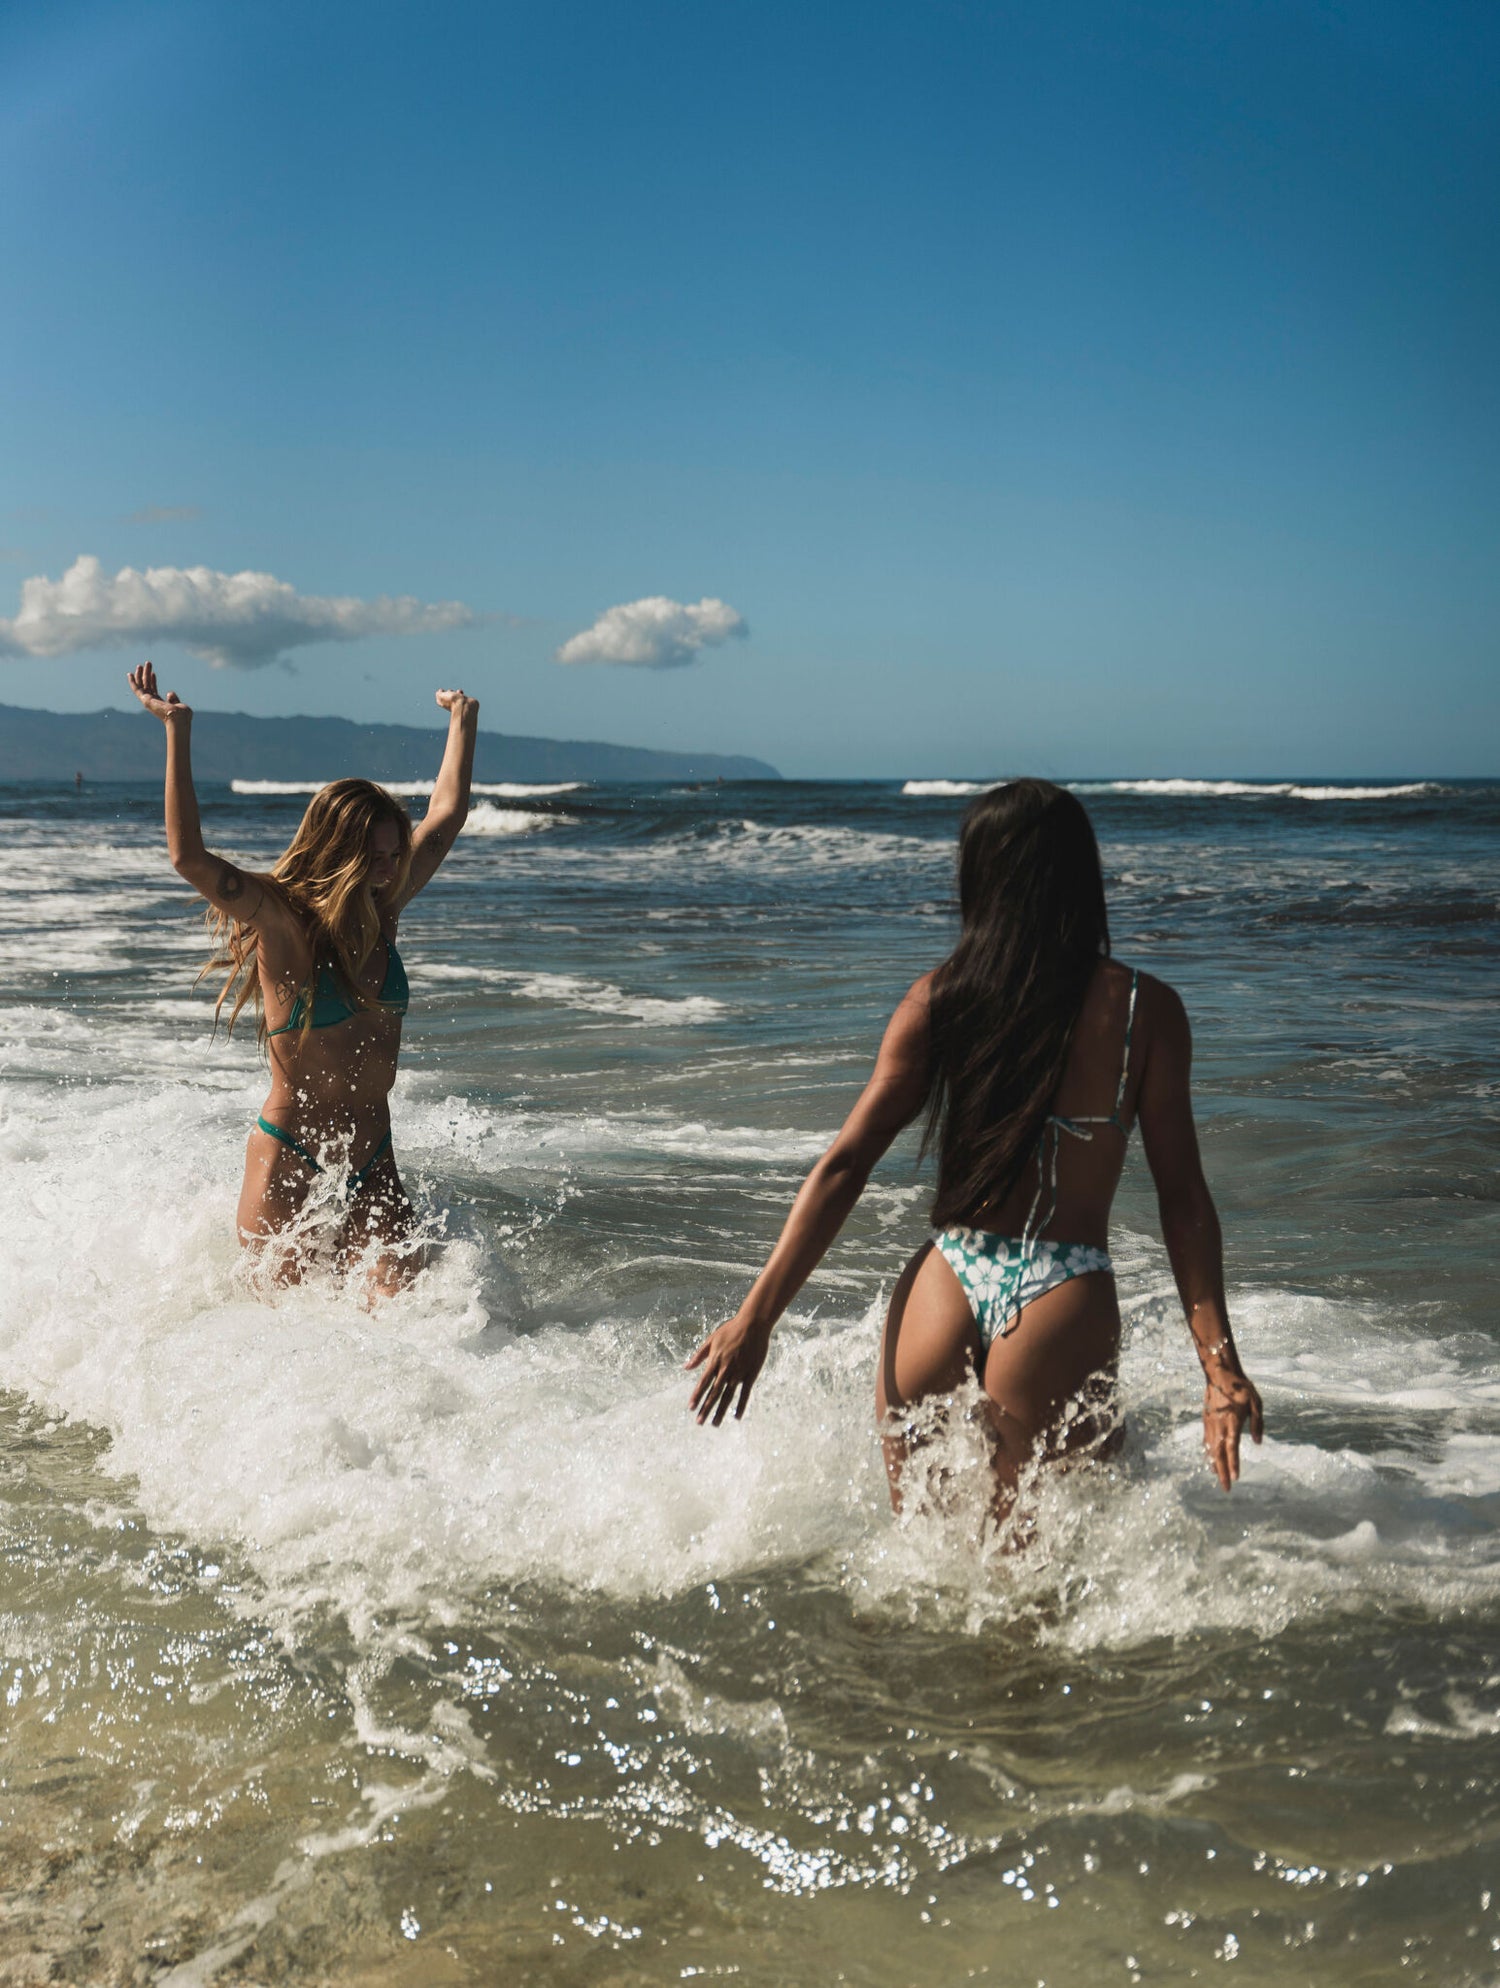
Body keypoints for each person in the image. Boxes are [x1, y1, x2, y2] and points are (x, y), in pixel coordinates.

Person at [686, 779, 1263, 1512]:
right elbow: (1183, 1200)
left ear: (980, 877)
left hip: (945, 1282)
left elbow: (845, 1163)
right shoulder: (1144, 1011)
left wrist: (755, 1319)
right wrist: (1219, 1366)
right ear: (1081, 878)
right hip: (1062, 1291)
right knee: (1034, 1585)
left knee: (922, 1566)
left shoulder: (939, 1000)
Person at [126, 661, 480, 1296]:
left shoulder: (385, 911)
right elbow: (189, 858)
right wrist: (177, 730)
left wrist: (463, 721)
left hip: (374, 1156)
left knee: (408, 1327)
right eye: (372, 857)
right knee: (284, 1340)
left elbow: (447, 816)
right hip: (291, 1156)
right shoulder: (283, 926)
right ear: (338, 853)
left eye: (394, 854)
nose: (388, 868)